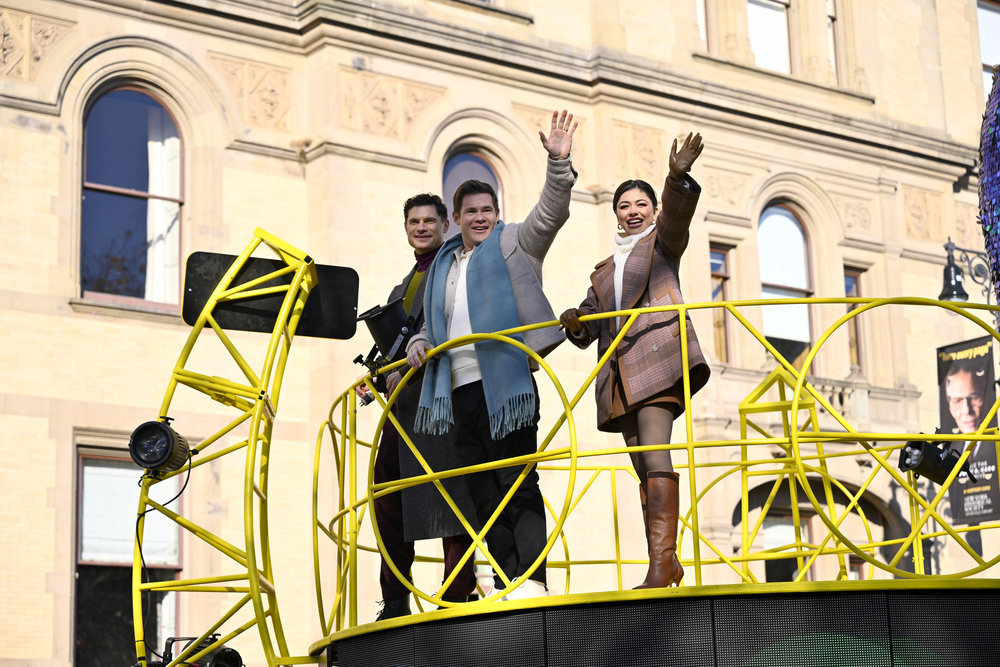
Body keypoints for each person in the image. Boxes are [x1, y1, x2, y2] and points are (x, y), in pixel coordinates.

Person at [406, 110, 579, 600]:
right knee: (482, 493)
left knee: (517, 482)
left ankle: (534, 579)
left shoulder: (513, 244)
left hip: (503, 385)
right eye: (471, 211)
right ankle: (505, 581)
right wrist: (419, 340)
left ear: (497, 214)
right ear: (455, 219)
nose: (480, 217)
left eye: (488, 209)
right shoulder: (443, 264)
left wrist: (558, 163)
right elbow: (431, 320)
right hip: (457, 390)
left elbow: (551, 211)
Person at [559, 132, 711, 588]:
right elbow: (589, 322)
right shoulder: (605, 269)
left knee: (654, 450)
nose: (633, 210)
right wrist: (576, 321)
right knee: (642, 464)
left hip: (658, 358)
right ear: (616, 215)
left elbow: (676, 218)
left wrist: (676, 175)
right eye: (624, 205)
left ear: (652, 209)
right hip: (620, 374)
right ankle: (666, 561)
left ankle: (662, 564)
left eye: (641, 203)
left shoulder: (662, 244)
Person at [363, 193, 476, 621]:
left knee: (453, 492)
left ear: (446, 225)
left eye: (431, 220)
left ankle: (457, 593)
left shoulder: (456, 269)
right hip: (405, 406)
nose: (423, 227)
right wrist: (377, 376)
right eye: (415, 221)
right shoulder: (400, 287)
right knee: (387, 493)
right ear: (406, 228)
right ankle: (394, 598)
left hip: (444, 395)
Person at [944, 359, 987, 435]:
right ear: (950, 407)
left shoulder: (996, 442)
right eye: (957, 401)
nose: (966, 410)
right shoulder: (952, 444)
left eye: (973, 398)